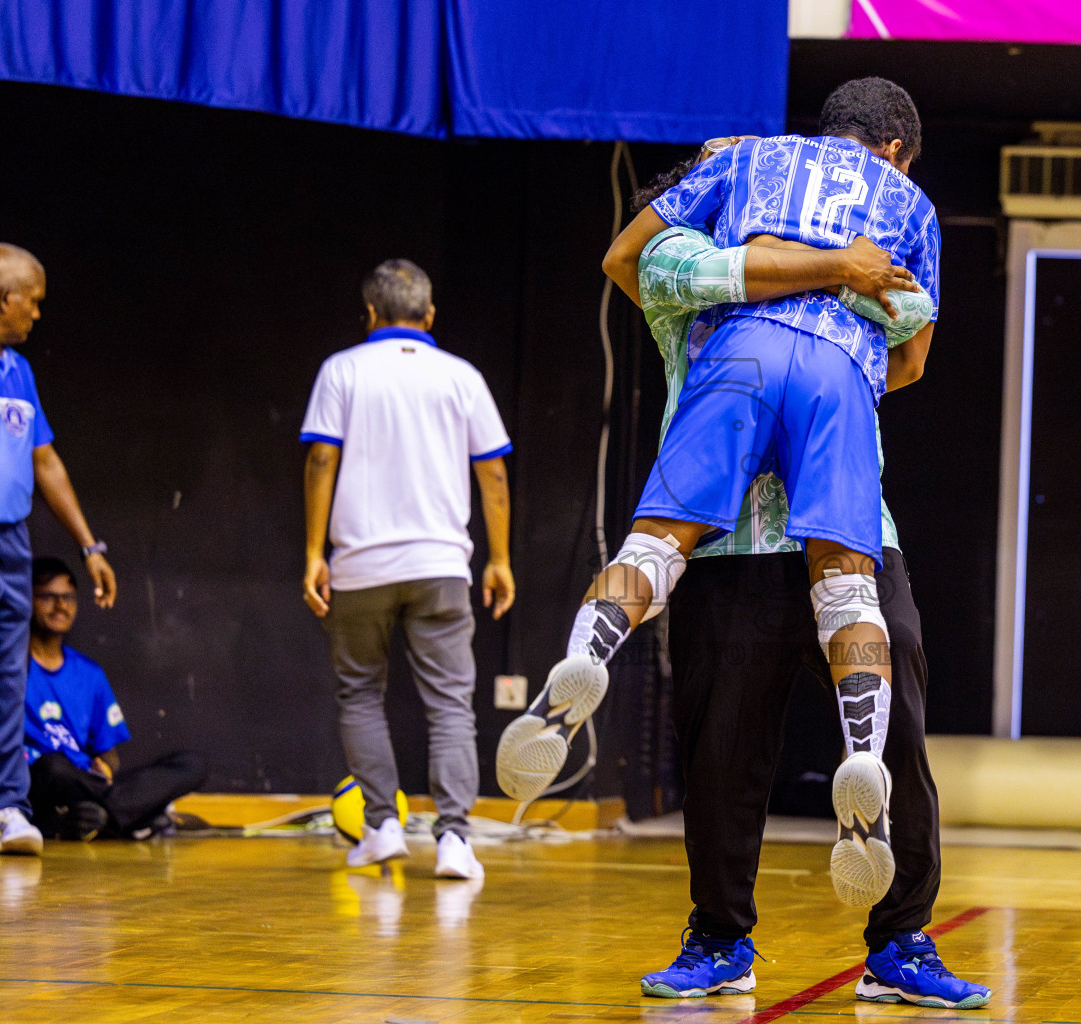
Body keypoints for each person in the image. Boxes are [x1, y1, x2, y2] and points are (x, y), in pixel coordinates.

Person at [497, 77, 940, 914]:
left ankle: (586, 657)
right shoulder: (900, 203)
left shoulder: (716, 205)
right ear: (894, 150)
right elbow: (913, 345)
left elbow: (657, 257)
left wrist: (738, 187)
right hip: (836, 399)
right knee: (853, 595)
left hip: (731, 456)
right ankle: (863, 763)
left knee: (656, 555)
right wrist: (848, 274)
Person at [624, 161, 988, 1009]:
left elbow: (912, 356)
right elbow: (626, 257)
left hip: (854, 530)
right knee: (721, 747)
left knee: (895, 738)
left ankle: (901, 941)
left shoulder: (858, 265)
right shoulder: (699, 266)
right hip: (729, 538)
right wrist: (830, 271)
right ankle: (719, 940)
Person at [301, 259, 514, 881]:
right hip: (441, 564)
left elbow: (321, 460)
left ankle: (381, 827)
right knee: (450, 704)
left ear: (369, 314)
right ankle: (454, 840)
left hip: (360, 565)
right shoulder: (462, 376)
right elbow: (493, 472)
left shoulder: (341, 369)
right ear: (429, 315)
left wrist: (316, 552)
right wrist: (498, 558)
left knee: (361, 694)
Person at [0, 243, 117, 856]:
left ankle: (2, 807)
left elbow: (44, 460)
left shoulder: (19, 372)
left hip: (13, 540)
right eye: (33, 302)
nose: (36, 314)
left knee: (8, 678)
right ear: (6, 298)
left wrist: (89, 545)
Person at [24, 558, 207, 840]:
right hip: (39, 781)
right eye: (49, 597)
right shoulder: (10, 667)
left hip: (86, 783)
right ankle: (133, 816)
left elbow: (108, 753)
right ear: (28, 599)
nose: (61, 606)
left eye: (69, 598)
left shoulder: (89, 673)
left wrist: (106, 767)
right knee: (54, 767)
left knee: (191, 764)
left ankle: (102, 818)